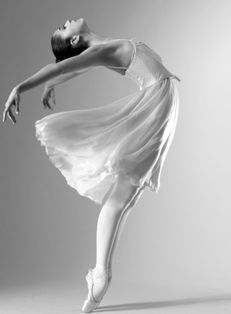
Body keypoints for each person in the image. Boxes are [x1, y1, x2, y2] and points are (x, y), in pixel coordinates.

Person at [2, 18, 181, 313]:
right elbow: (61, 67)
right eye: (63, 28)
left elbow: (73, 68)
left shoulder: (101, 50)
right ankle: (100, 276)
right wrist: (20, 87)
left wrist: (51, 83)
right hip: (156, 104)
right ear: (74, 41)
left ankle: (100, 279)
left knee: (127, 196)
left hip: (161, 102)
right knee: (123, 194)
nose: (65, 22)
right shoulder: (100, 49)